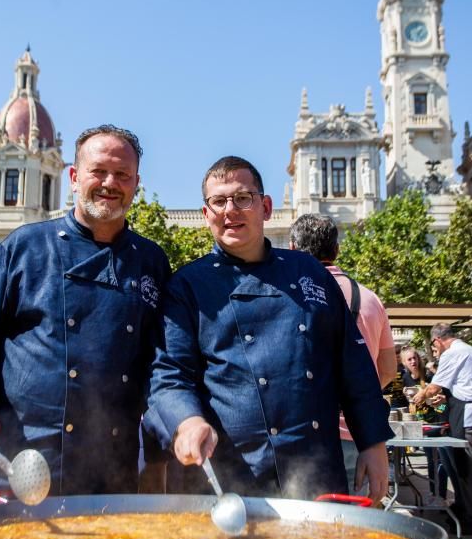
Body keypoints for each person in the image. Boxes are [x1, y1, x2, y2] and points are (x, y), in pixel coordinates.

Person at [0, 125, 170, 510]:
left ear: (136, 184)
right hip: (10, 467)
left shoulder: (152, 262)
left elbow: (163, 364)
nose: (110, 183)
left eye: (122, 175)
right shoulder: (24, 247)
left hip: (106, 480)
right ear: (75, 177)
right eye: (98, 171)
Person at [146, 156, 390, 502]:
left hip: (314, 467)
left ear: (266, 207)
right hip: (228, 472)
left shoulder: (309, 273)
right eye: (219, 201)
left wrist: (373, 442)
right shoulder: (187, 286)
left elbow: (353, 363)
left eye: (243, 198)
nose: (231, 210)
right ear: (206, 215)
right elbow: (169, 374)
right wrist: (186, 421)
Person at [288, 213, 396, 495]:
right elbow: (387, 369)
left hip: (304, 434)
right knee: (355, 528)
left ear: (292, 249)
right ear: (336, 250)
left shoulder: (290, 295)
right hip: (360, 435)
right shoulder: (371, 299)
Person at [412, 323, 472, 536]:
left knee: (469, 468)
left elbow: (434, 386)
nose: (435, 350)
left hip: (469, 415)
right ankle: (464, 508)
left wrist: (419, 396)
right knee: (468, 466)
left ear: (437, 340)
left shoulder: (453, 353)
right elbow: (464, 384)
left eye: (434, 346)